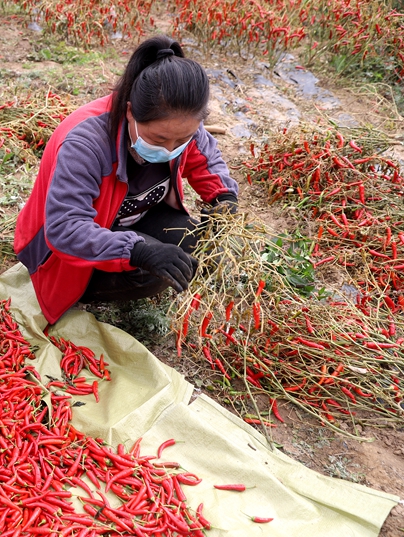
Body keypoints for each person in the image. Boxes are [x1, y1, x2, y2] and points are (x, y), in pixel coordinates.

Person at [14, 35, 238, 324]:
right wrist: (139, 252)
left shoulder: (179, 125)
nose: (171, 149)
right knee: (152, 274)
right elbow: (65, 229)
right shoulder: (85, 142)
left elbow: (206, 158)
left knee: (200, 242)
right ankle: (91, 287)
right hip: (61, 251)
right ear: (130, 112)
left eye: (182, 139)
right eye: (159, 139)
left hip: (131, 217)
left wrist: (224, 198)